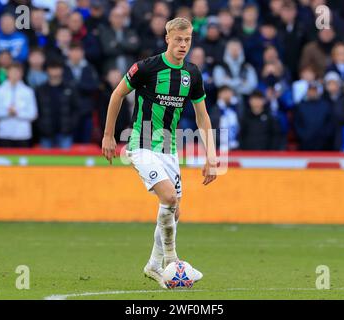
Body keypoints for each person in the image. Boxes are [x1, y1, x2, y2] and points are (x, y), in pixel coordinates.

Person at [102, 17, 217, 288]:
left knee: (173, 212)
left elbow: (202, 117)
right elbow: (117, 95)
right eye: (178, 39)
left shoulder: (192, 74)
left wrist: (211, 156)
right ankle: (171, 260)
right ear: (167, 38)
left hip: (169, 148)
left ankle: (153, 265)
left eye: (187, 40)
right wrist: (108, 135)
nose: (183, 45)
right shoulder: (146, 67)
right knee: (168, 197)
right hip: (140, 144)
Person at [0, 62, 38, 147]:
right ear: (7, 73)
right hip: (4, 133)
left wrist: (17, 112)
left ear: (22, 73)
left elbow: (33, 114)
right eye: (12, 71)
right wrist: (8, 113)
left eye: (17, 72)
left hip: (23, 134)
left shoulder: (28, 91)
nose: (15, 74)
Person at [36, 61, 80, 149]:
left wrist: (70, 126)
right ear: (47, 70)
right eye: (52, 68)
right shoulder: (41, 90)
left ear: (62, 70)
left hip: (65, 133)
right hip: (46, 133)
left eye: (57, 68)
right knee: (45, 162)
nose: (55, 71)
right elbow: (36, 111)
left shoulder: (70, 88)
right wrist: (41, 127)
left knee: (65, 162)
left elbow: (76, 109)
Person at [293, 81, 334, 150]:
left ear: (318, 92)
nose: (312, 92)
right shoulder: (301, 106)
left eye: (314, 90)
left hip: (323, 144)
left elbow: (330, 123)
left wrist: (324, 135)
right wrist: (303, 135)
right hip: (305, 143)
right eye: (310, 90)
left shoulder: (325, 105)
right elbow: (297, 123)